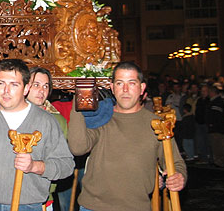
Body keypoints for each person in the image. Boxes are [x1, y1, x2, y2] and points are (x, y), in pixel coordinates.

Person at [67, 62, 187, 211]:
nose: (125, 89)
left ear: (142, 88)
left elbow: (176, 162)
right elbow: (78, 148)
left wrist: (179, 176)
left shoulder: (156, 124)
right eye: (119, 83)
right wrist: (79, 99)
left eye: (131, 83)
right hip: (93, 206)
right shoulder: (101, 117)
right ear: (112, 88)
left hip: (137, 207)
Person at [0, 59, 74, 210]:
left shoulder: (46, 121)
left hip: (28, 205)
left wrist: (36, 166)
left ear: (26, 89)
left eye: (14, 85)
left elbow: (66, 165)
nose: (6, 91)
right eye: (1, 83)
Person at [26, 67, 68, 211]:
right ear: (25, 86)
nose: (41, 91)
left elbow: (63, 162)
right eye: (36, 85)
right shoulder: (11, 114)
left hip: (42, 197)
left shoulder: (57, 121)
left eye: (46, 86)